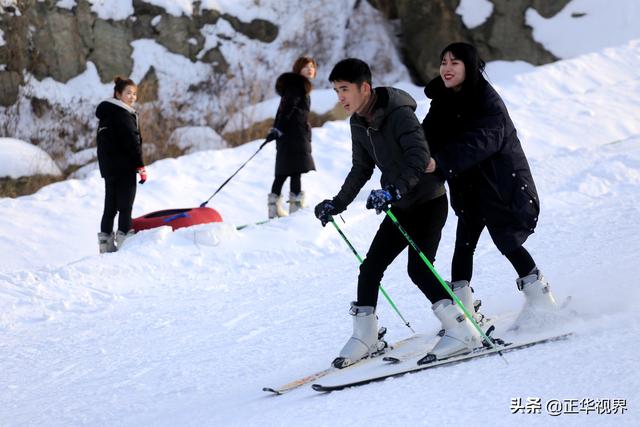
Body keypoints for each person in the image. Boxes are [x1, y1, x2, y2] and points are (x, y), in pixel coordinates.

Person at [314, 58, 484, 368]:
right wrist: (337, 203)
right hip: (400, 205)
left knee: (418, 269)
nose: (340, 97)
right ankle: (366, 336)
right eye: (336, 90)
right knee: (370, 268)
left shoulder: (400, 115)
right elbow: (361, 168)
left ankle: (462, 329)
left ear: (364, 88)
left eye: (344, 89)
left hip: (429, 201)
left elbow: (419, 157)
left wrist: (394, 189)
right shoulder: (358, 123)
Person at [421, 42, 558, 329]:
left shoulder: (487, 99)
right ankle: (464, 310)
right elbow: (426, 137)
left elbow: (483, 141)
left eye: (454, 62)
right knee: (464, 244)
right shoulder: (442, 102)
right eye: (443, 62)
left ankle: (541, 300)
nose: (446, 68)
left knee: (507, 241)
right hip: (468, 186)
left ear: (469, 67)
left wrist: (441, 161)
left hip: (499, 183)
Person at [96, 76, 147, 253]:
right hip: (125, 168)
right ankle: (126, 244)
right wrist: (140, 166)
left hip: (109, 169)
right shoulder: (123, 114)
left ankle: (105, 245)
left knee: (110, 208)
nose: (132, 97)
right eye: (128, 93)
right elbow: (133, 143)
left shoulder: (106, 113)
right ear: (118, 94)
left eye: (134, 94)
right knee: (125, 207)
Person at [266, 55, 317, 218]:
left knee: (283, 172)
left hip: (289, 135)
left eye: (312, 67)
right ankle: (295, 209)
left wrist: (277, 129)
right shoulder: (297, 86)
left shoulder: (295, 86)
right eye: (306, 66)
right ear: (298, 69)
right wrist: (278, 129)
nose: (310, 69)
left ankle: (275, 209)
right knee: (295, 171)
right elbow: (287, 109)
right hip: (294, 135)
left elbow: (282, 110)